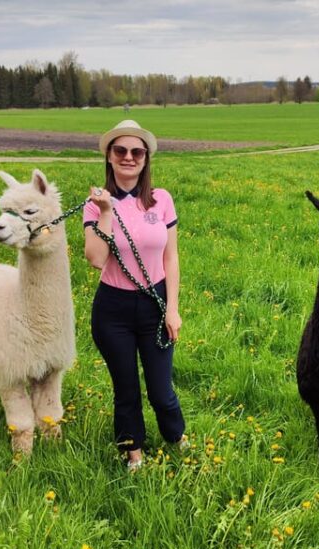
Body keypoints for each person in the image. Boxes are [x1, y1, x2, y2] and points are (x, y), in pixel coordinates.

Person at [83, 119, 186, 472]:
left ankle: (176, 437)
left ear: (145, 159)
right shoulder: (96, 203)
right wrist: (108, 210)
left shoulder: (161, 200)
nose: (129, 157)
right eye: (120, 150)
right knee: (125, 388)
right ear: (109, 157)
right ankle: (134, 453)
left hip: (155, 303)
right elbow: (96, 260)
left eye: (136, 151)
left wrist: (172, 309)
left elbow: (170, 257)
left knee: (161, 389)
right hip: (114, 309)